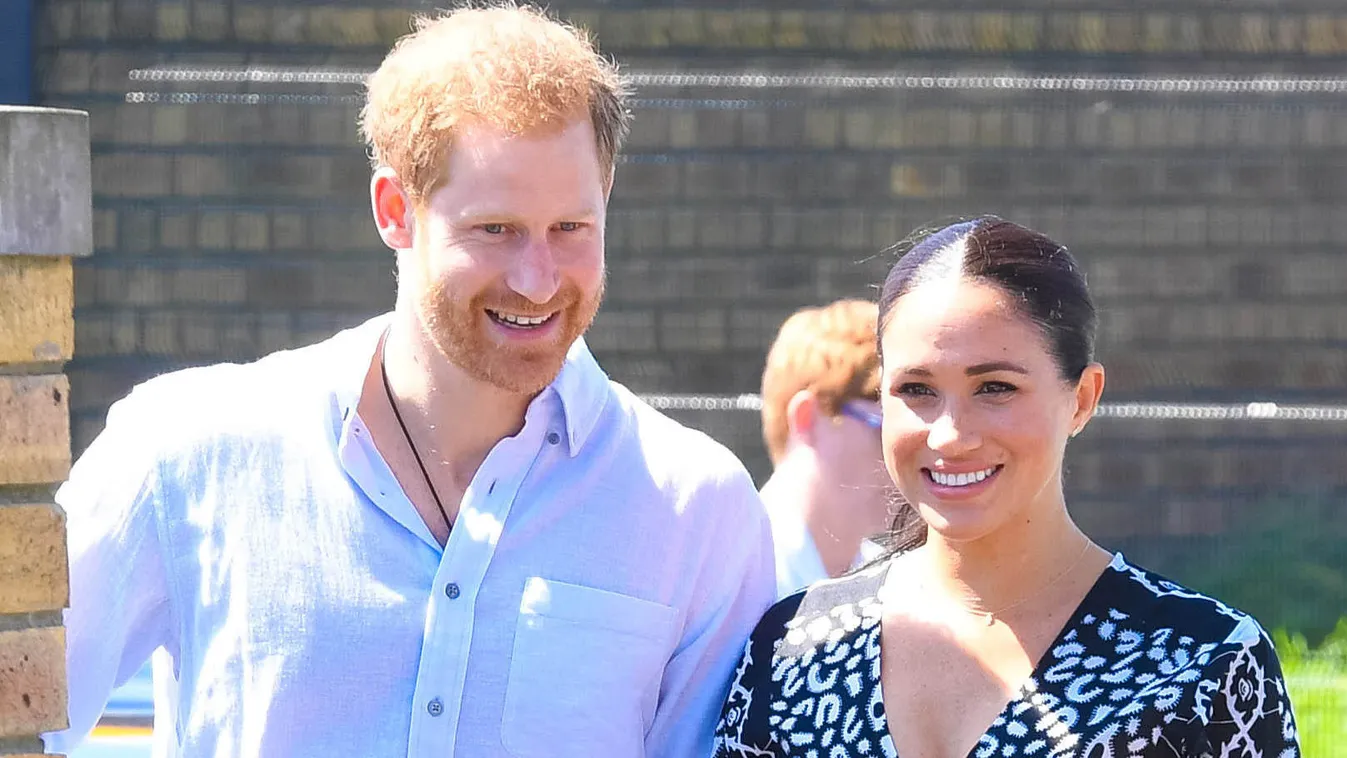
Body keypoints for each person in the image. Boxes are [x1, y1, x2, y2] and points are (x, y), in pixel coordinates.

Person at [43, 6, 776, 757]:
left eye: (569, 229)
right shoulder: (189, 451)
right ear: (396, 210)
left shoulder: (699, 512)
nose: (537, 280)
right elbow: (19, 714)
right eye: (495, 229)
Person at [713, 217, 1300, 757]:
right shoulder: (793, 648)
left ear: (1083, 399)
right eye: (916, 390)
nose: (949, 436)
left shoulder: (1204, 666)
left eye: (994, 387)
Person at [758, 299, 891, 599]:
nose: (900, 450)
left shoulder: (891, 582)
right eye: (882, 426)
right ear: (806, 418)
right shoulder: (737, 575)